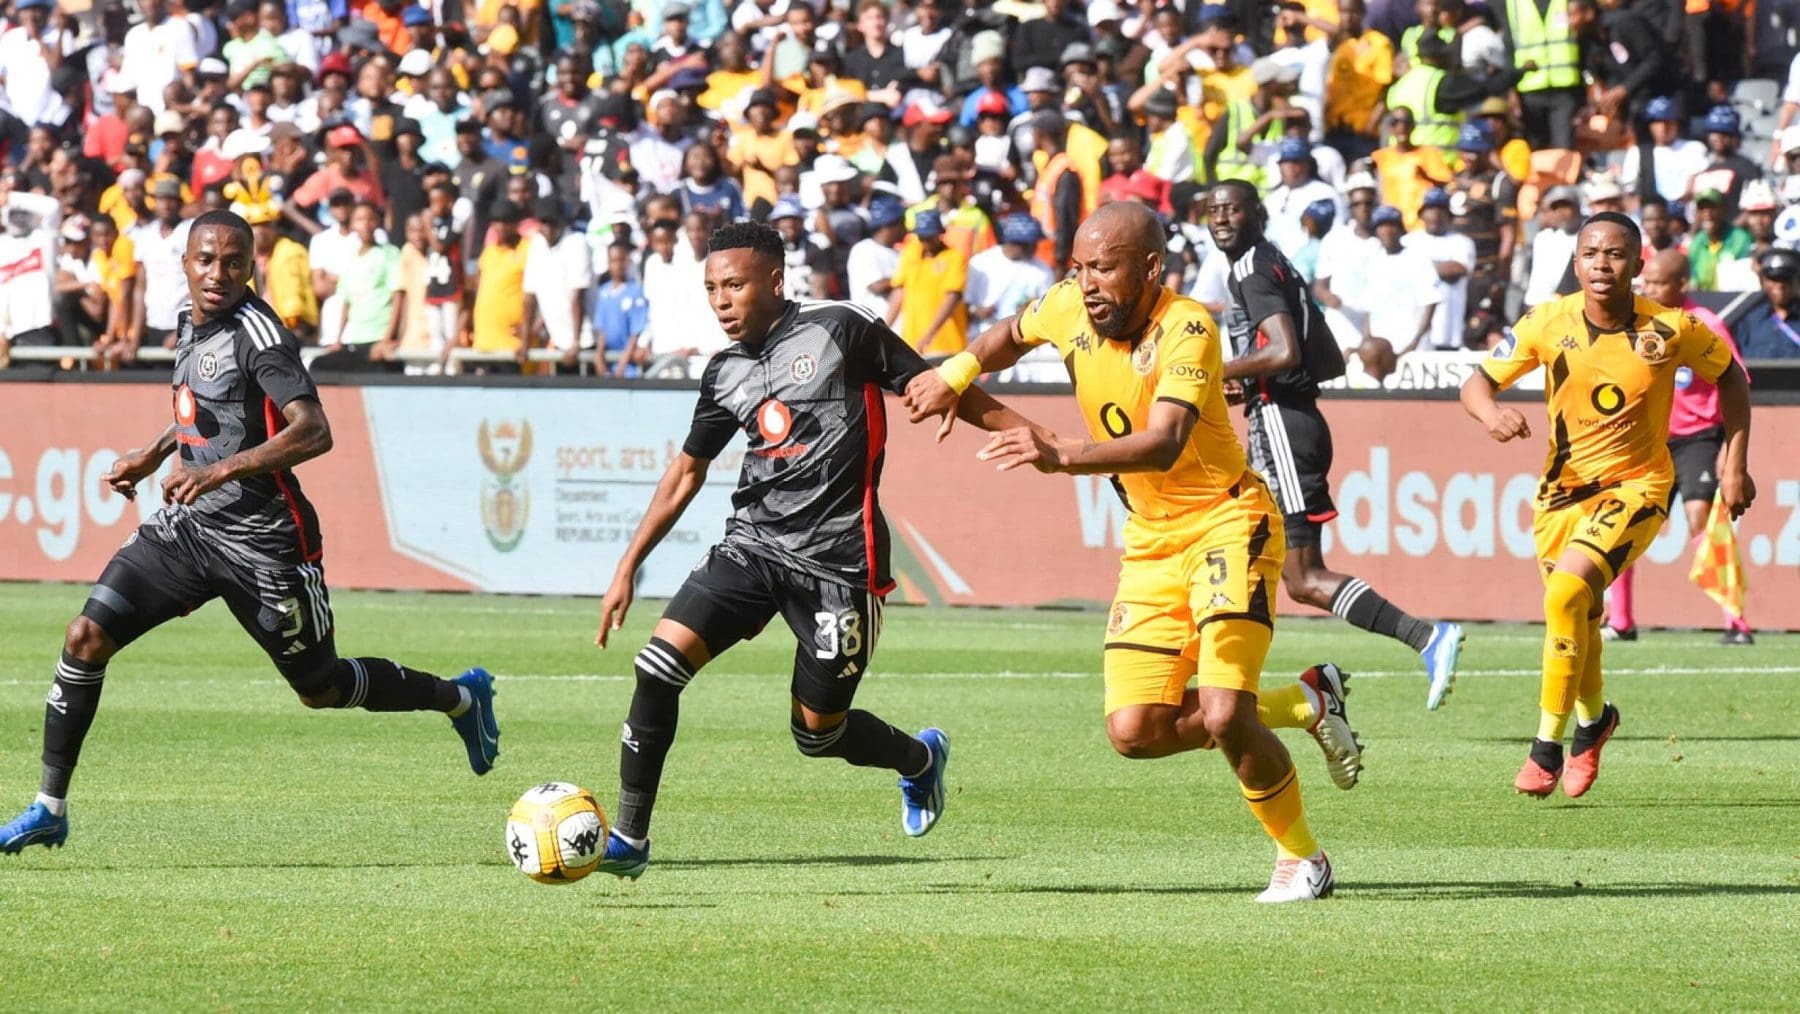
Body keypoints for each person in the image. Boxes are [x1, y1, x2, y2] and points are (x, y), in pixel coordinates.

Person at [902, 202, 1362, 902]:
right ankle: (1304, 701)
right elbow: (1007, 334)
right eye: (1079, 268)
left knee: (1223, 713)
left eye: (1105, 268)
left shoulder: (1189, 327)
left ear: (1150, 268)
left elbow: (1165, 441)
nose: (1087, 284)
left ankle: (1303, 859)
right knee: (1136, 731)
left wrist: (1062, 453)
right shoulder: (1067, 304)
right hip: (1150, 541)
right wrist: (955, 372)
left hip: (1227, 524)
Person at [0, 210, 498, 855]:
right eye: (207, 260)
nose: (219, 274)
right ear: (185, 263)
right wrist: (156, 453)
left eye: (233, 262)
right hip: (189, 531)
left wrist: (219, 471)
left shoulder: (260, 335)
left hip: (266, 544)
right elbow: (210, 404)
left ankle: (460, 698)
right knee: (85, 636)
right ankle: (49, 807)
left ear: (251, 267)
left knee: (321, 688)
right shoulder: (189, 319)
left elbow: (314, 429)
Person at [589, 221, 1008, 879]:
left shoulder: (841, 327)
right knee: (656, 667)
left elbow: (934, 384)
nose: (721, 301)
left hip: (841, 564)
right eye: (712, 289)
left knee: (818, 733)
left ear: (776, 281)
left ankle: (920, 759)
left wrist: (1035, 437)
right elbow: (687, 471)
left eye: (734, 285)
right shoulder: (725, 371)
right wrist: (627, 565)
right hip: (753, 547)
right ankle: (630, 839)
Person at [1459, 212, 1752, 798]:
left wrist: (1734, 464)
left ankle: (1546, 745)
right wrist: (1491, 415)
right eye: (1591, 253)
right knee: (1578, 612)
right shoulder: (1547, 321)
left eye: (1615, 254)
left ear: (1637, 265)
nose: (1601, 264)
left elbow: (1733, 378)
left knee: (1566, 592)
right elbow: (1477, 382)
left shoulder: (1671, 328)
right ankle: (1595, 721)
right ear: (1576, 263)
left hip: (1638, 487)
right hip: (1560, 493)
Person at [1207, 181, 1465, 709]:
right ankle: (1236, 689)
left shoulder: (1252, 269)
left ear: (1257, 214)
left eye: (1233, 209)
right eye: (1213, 211)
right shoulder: (1274, 262)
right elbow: (1324, 358)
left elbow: (1284, 350)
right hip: (1290, 418)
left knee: (1303, 577)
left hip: (1280, 426)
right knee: (1254, 556)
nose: (1221, 219)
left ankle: (1426, 637)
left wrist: (1217, 373)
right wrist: (1251, 381)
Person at [1605, 250, 1754, 645]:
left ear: (1681, 284)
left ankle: (1735, 621)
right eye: (1647, 282)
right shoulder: (1637, 323)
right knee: (1625, 524)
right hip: (1651, 440)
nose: (1649, 289)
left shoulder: (1705, 323)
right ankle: (1621, 621)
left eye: (1658, 283)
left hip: (1698, 437)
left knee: (1700, 518)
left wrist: (1729, 449)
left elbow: (1735, 381)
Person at [1404, 187, 1477, 350]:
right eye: (1431, 209)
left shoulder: (1462, 242)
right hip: (1413, 334)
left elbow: (1455, 269)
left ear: (1449, 215)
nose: (1436, 214)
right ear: (1422, 214)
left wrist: (1418, 266)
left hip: (1449, 333)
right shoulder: (1408, 242)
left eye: (1441, 209)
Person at [887, 210, 968, 356]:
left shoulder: (954, 257)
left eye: (930, 237)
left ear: (940, 233)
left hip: (946, 343)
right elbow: (899, 291)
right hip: (912, 342)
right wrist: (885, 327)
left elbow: (952, 298)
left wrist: (928, 336)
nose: (925, 241)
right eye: (921, 237)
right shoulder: (910, 253)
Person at [965, 214, 1055, 328]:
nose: (1035, 248)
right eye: (1031, 244)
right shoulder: (980, 262)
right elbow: (964, 302)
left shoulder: (1042, 270)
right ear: (1015, 243)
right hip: (981, 331)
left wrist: (1032, 308)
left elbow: (1049, 308)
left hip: (1020, 333)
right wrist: (976, 311)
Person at [1734, 246, 1800, 359]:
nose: (1779, 285)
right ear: (1762, 281)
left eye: (1785, 279)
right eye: (1773, 279)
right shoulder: (1749, 321)